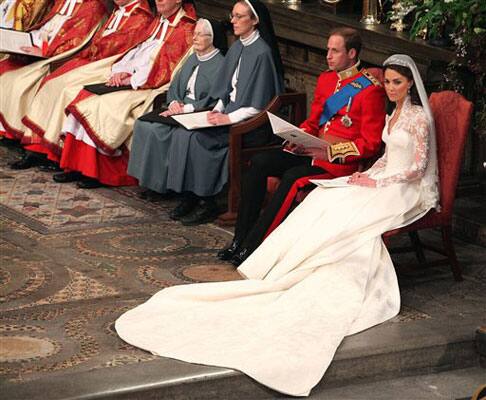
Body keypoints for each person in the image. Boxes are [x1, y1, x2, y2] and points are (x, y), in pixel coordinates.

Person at [115, 54, 439, 397]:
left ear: (409, 84)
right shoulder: (384, 106)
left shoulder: (415, 117)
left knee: (323, 199)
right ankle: (267, 254)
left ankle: (278, 255)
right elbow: (380, 153)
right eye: (387, 81)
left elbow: (416, 166)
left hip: (401, 188)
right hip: (374, 176)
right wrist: (367, 173)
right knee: (323, 200)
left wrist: (374, 178)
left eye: (397, 83)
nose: (389, 88)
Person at [217, 27, 386, 266]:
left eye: (335, 51)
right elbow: (314, 121)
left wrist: (329, 151)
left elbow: (370, 144)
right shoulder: (327, 79)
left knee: (293, 178)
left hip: (338, 164)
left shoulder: (371, 90)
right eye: (328, 49)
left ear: (351, 53)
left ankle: (253, 248)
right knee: (259, 162)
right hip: (311, 151)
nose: (328, 55)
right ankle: (239, 239)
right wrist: (298, 136)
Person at [150, 0, 283, 225]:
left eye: (239, 17)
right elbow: (225, 91)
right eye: (233, 15)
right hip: (227, 117)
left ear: (255, 21)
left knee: (199, 139)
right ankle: (190, 195)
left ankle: (208, 202)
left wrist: (227, 118)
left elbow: (259, 105)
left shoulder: (262, 53)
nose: (233, 21)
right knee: (183, 133)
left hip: (251, 126)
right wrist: (216, 110)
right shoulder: (239, 45)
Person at [50, 0, 197, 188]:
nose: (158, 1)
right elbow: (136, 50)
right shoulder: (159, 20)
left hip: (149, 86)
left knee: (100, 106)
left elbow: (168, 69)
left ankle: (96, 172)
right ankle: (75, 166)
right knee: (84, 96)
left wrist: (133, 79)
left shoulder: (186, 29)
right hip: (132, 79)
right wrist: (122, 70)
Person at [17, 0, 154, 170]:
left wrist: (95, 50)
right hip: (94, 60)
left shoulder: (141, 17)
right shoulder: (119, 11)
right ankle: (38, 148)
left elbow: (120, 48)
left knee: (66, 89)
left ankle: (55, 152)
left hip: (107, 65)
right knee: (52, 83)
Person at [127, 17, 226, 202]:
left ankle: (166, 187)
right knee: (144, 125)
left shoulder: (221, 64)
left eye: (199, 35)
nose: (194, 38)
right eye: (193, 33)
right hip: (177, 109)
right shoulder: (192, 58)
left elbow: (216, 98)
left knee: (161, 132)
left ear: (212, 38)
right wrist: (173, 103)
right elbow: (174, 85)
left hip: (196, 113)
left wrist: (186, 108)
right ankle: (151, 183)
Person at [0, 0, 107, 142]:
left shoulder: (93, 7)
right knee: (4, 66)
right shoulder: (63, 2)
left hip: (59, 59)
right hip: (38, 50)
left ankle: (24, 136)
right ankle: (5, 131)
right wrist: (29, 40)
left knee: (19, 81)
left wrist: (44, 50)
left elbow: (75, 43)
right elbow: (47, 27)